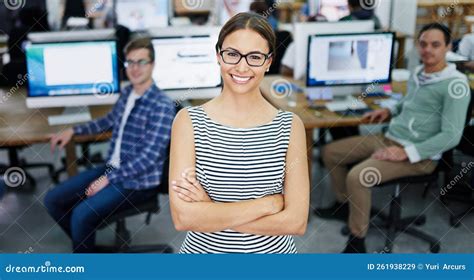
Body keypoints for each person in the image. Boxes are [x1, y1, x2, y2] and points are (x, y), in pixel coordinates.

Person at [315, 23, 470, 253]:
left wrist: (405, 152)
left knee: (357, 177)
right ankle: (345, 205)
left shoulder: (455, 85)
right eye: (423, 44)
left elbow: (452, 136)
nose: (428, 50)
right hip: (391, 137)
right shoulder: (419, 73)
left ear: (448, 47)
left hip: (419, 155)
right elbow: (409, 103)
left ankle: (357, 242)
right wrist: (390, 111)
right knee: (330, 153)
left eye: (435, 45)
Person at [169, 12, 309, 254]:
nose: (241, 66)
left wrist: (209, 209)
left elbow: (295, 222)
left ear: (269, 61)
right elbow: (184, 217)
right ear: (218, 56)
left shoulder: (289, 126)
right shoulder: (188, 121)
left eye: (255, 57)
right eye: (232, 54)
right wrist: (268, 204)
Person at [44, 38, 176, 253]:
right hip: (111, 169)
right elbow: (108, 120)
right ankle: (88, 249)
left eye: (141, 62)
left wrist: (108, 179)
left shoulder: (161, 105)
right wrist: (73, 130)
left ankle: (87, 257)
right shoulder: (127, 93)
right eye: (130, 62)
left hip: (138, 183)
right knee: (53, 200)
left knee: (81, 214)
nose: (135, 68)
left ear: (152, 64)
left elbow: (148, 157)